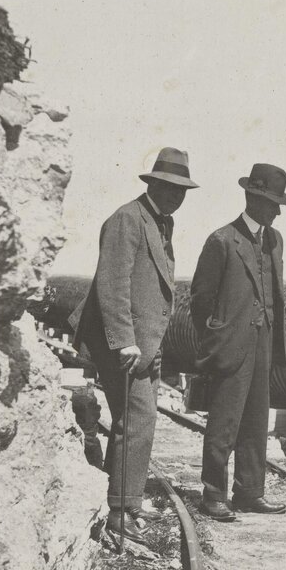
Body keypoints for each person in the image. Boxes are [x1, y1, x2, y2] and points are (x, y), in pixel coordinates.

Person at [70, 147, 198, 545]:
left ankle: (124, 504)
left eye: (183, 190)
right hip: (125, 344)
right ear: (154, 183)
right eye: (171, 187)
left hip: (147, 340)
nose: (178, 196)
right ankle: (121, 511)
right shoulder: (128, 218)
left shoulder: (159, 222)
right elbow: (112, 283)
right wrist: (124, 341)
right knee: (136, 420)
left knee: (137, 421)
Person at [189, 164, 286, 521]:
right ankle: (213, 494)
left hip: (263, 341)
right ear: (252, 198)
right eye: (272, 204)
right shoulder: (222, 240)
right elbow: (201, 297)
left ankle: (250, 492)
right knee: (224, 421)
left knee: (256, 420)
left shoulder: (274, 241)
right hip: (231, 342)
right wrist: (218, 333)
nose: (277, 211)